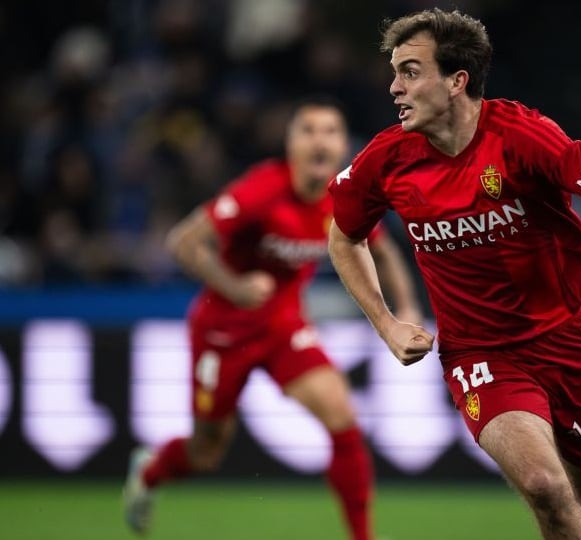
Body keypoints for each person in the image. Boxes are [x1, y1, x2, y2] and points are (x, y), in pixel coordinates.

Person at [328, 8, 581, 540]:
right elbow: (343, 236)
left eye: (410, 71)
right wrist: (385, 323)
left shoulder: (523, 137)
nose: (394, 87)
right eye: (395, 72)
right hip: (481, 353)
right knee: (544, 484)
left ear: (457, 81)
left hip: (567, 338)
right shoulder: (387, 160)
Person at [122, 95, 423, 539]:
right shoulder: (262, 190)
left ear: (343, 144)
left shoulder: (343, 197)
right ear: (291, 145)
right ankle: (149, 473)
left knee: (342, 417)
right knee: (206, 451)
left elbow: (383, 249)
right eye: (309, 131)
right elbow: (183, 241)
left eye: (330, 132)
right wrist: (236, 288)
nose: (320, 141)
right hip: (222, 332)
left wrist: (408, 307)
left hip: (284, 327)